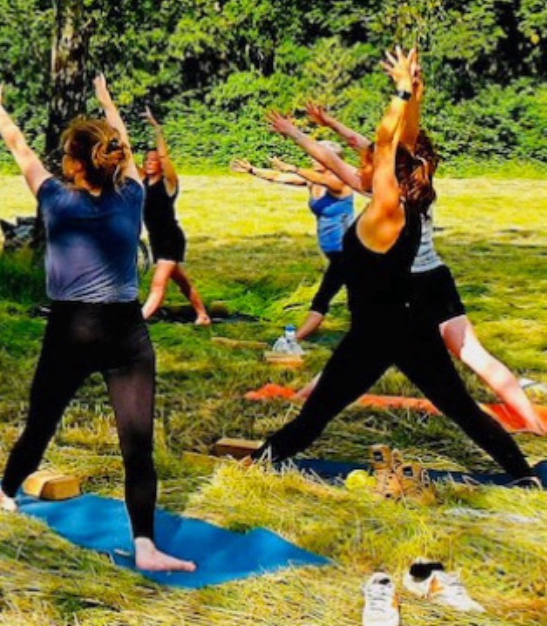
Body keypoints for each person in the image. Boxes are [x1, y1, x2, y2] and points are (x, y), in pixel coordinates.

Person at [256, 51, 540, 479]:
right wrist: (297, 132)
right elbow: (372, 150)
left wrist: (405, 91)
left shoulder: (387, 207)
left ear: (386, 171)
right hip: (407, 327)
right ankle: (522, 473)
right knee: (458, 408)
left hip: (378, 335)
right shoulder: (401, 201)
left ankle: (258, 462)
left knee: (317, 416)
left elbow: (388, 140)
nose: (360, 162)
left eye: (367, 159)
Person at [0, 76, 195, 573]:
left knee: (40, 425)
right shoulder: (131, 195)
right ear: (109, 159)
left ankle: (5, 494)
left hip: (71, 329)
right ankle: (146, 545)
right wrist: (107, 102)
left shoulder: (54, 198)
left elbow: (19, 146)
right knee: (138, 446)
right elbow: (121, 143)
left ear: (72, 163)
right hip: (126, 331)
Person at [231, 142, 355, 343]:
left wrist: (295, 168)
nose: (312, 159)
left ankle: (293, 341)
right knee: (358, 297)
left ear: (331, 160)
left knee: (324, 298)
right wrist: (253, 170)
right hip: (335, 254)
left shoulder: (340, 182)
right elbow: (278, 177)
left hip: (349, 252)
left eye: (317, 156)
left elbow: (324, 179)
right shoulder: (312, 181)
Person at [137, 106, 212, 325]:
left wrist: (157, 129)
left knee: (158, 284)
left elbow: (164, 156)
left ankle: (136, 323)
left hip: (171, 239)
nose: (149, 162)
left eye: (154, 160)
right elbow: (125, 159)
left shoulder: (169, 183)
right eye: (146, 160)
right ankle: (202, 315)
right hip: (156, 240)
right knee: (181, 281)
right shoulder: (143, 181)